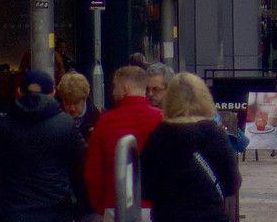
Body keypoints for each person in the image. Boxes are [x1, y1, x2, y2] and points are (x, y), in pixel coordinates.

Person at [0, 69, 85, 222]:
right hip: (55, 211)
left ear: (18, 92)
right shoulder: (66, 125)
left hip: (12, 211)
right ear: (53, 93)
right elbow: (82, 164)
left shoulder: (0, 125)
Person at [137, 73, 239, 222]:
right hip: (210, 216)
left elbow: (145, 188)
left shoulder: (159, 136)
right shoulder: (214, 133)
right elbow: (231, 183)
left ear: (169, 100)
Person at [84, 65, 163, 217]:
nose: (112, 92)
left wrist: (102, 207)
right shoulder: (161, 119)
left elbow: (93, 171)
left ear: (125, 88)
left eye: (114, 87)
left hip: (114, 206)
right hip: (153, 208)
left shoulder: (105, 122)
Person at [55, 72, 98, 140]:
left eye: (76, 103)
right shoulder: (55, 120)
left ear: (85, 98)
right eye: (67, 103)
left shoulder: (98, 117)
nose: (72, 108)